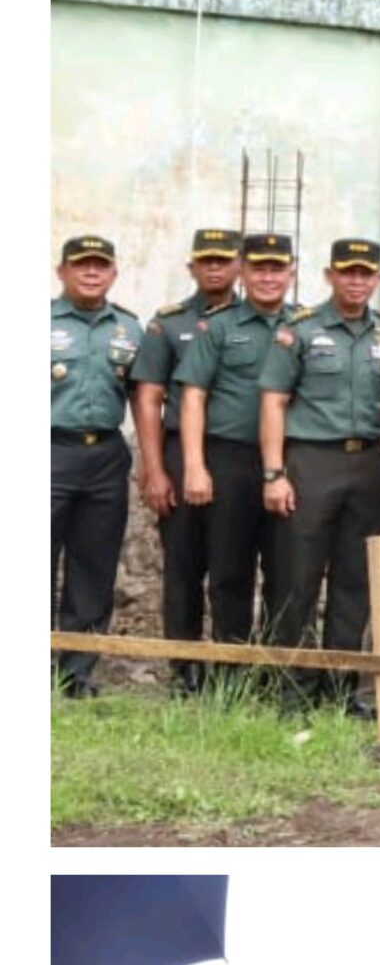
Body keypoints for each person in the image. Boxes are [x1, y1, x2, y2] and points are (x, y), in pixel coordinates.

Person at [257, 236, 380, 699]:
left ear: (378, 279)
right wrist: (274, 473)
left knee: (355, 579)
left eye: (366, 273)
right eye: (348, 272)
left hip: (368, 463)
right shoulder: (298, 330)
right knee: (296, 578)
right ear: (330, 275)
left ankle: (341, 690)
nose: (357, 281)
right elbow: (273, 401)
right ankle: (291, 687)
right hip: (311, 462)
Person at [173, 232, 301, 654]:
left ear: (292, 271)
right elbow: (193, 396)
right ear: (242, 271)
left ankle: (274, 671)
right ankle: (232, 669)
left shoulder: (305, 326)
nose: (267, 277)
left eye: (276, 268)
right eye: (258, 268)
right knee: (229, 570)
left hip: (289, 463)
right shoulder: (219, 326)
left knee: (285, 570)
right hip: (229, 460)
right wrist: (194, 464)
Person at [130, 225, 242, 691]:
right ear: (192, 266)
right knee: (182, 566)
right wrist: (154, 468)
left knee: (232, 565)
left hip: (238, 454)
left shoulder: (264, 319)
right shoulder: (169, 323)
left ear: (239, 265)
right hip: (180, 453)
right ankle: (183, 669)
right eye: (206, 260)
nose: (215, 267)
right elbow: (148, 397)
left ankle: (231, 670)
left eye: (224, 259)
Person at [50, 232, 143, 694]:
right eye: (81, 265)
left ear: (112, 273)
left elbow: (142, 396)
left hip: (105, 454)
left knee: (94, 567)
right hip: (48, 450)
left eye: (100, 266)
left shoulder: (129, 329)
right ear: (62, 271)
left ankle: (76, 674)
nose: (91, 272)